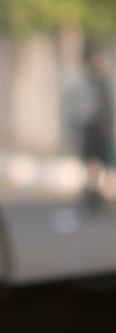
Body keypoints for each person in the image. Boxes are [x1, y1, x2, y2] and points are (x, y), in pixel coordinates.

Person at [64, 43, 113, 215]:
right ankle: (90, 196)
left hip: (100, 129)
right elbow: (73, 110)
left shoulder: (103, 83)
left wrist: (108, 129)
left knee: (101, 164)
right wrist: (73, 133)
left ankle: (95, 195)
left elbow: (107, 109)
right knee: (91, 164)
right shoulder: (82, 84)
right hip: (88, 128)